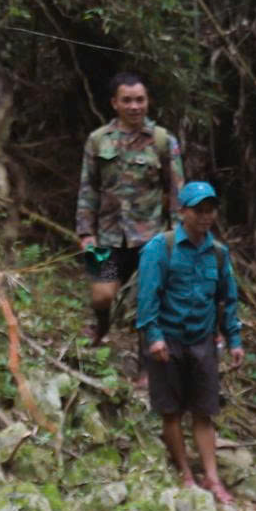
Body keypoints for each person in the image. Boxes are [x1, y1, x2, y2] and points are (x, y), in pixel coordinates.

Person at [134, 181, 244, 505]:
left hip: (202, 341)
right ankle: (184, 472)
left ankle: (211, 477)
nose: (205, 216)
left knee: (204, 412)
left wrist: (234, 340)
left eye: (210, 210)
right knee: (171, 412)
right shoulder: (161, 247)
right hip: (167, 341)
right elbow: (147, 297)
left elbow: (228, 300)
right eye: (198, 210)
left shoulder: (219, 254)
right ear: (182, 211)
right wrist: (152, 337)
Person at [75, 71, 184, 354]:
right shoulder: (98, 140)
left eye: (140, 100)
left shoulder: (163, 141)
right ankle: (102, 327)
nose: (135, 106)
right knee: (101, 295)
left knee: (146, 304)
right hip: (108, 238)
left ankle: (145, 369)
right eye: (127, 101)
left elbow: (176, 192)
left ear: (148, 102)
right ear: (114, 103)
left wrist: (177, 237)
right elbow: (88, 189)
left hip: (151, 239)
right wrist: (86, 232)